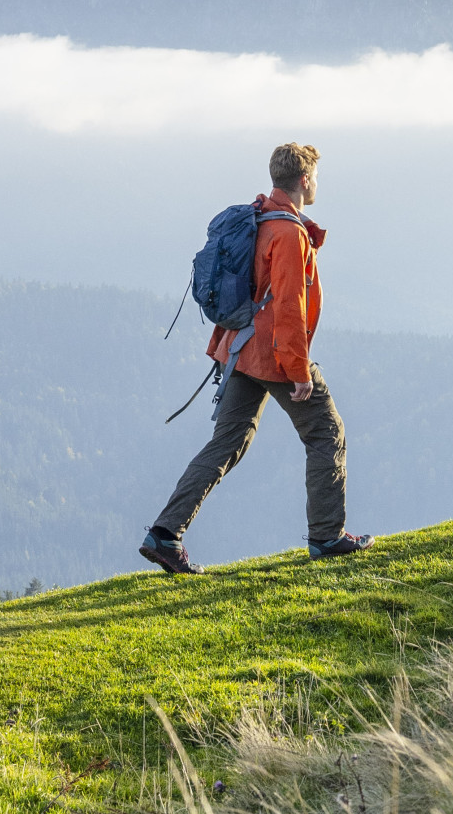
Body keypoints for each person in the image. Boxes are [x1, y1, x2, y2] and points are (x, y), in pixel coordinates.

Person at [141, 142, 373, 574]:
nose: (318, 184)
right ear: (305, 180)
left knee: (228, 441)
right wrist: (300, 372)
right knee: (326, 432)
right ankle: (327, 536)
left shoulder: (259, 215)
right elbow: (288, 305)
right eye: (316, 178)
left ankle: (164, 535)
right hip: (272, 353)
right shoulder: (287, 233)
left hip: (241, 349)